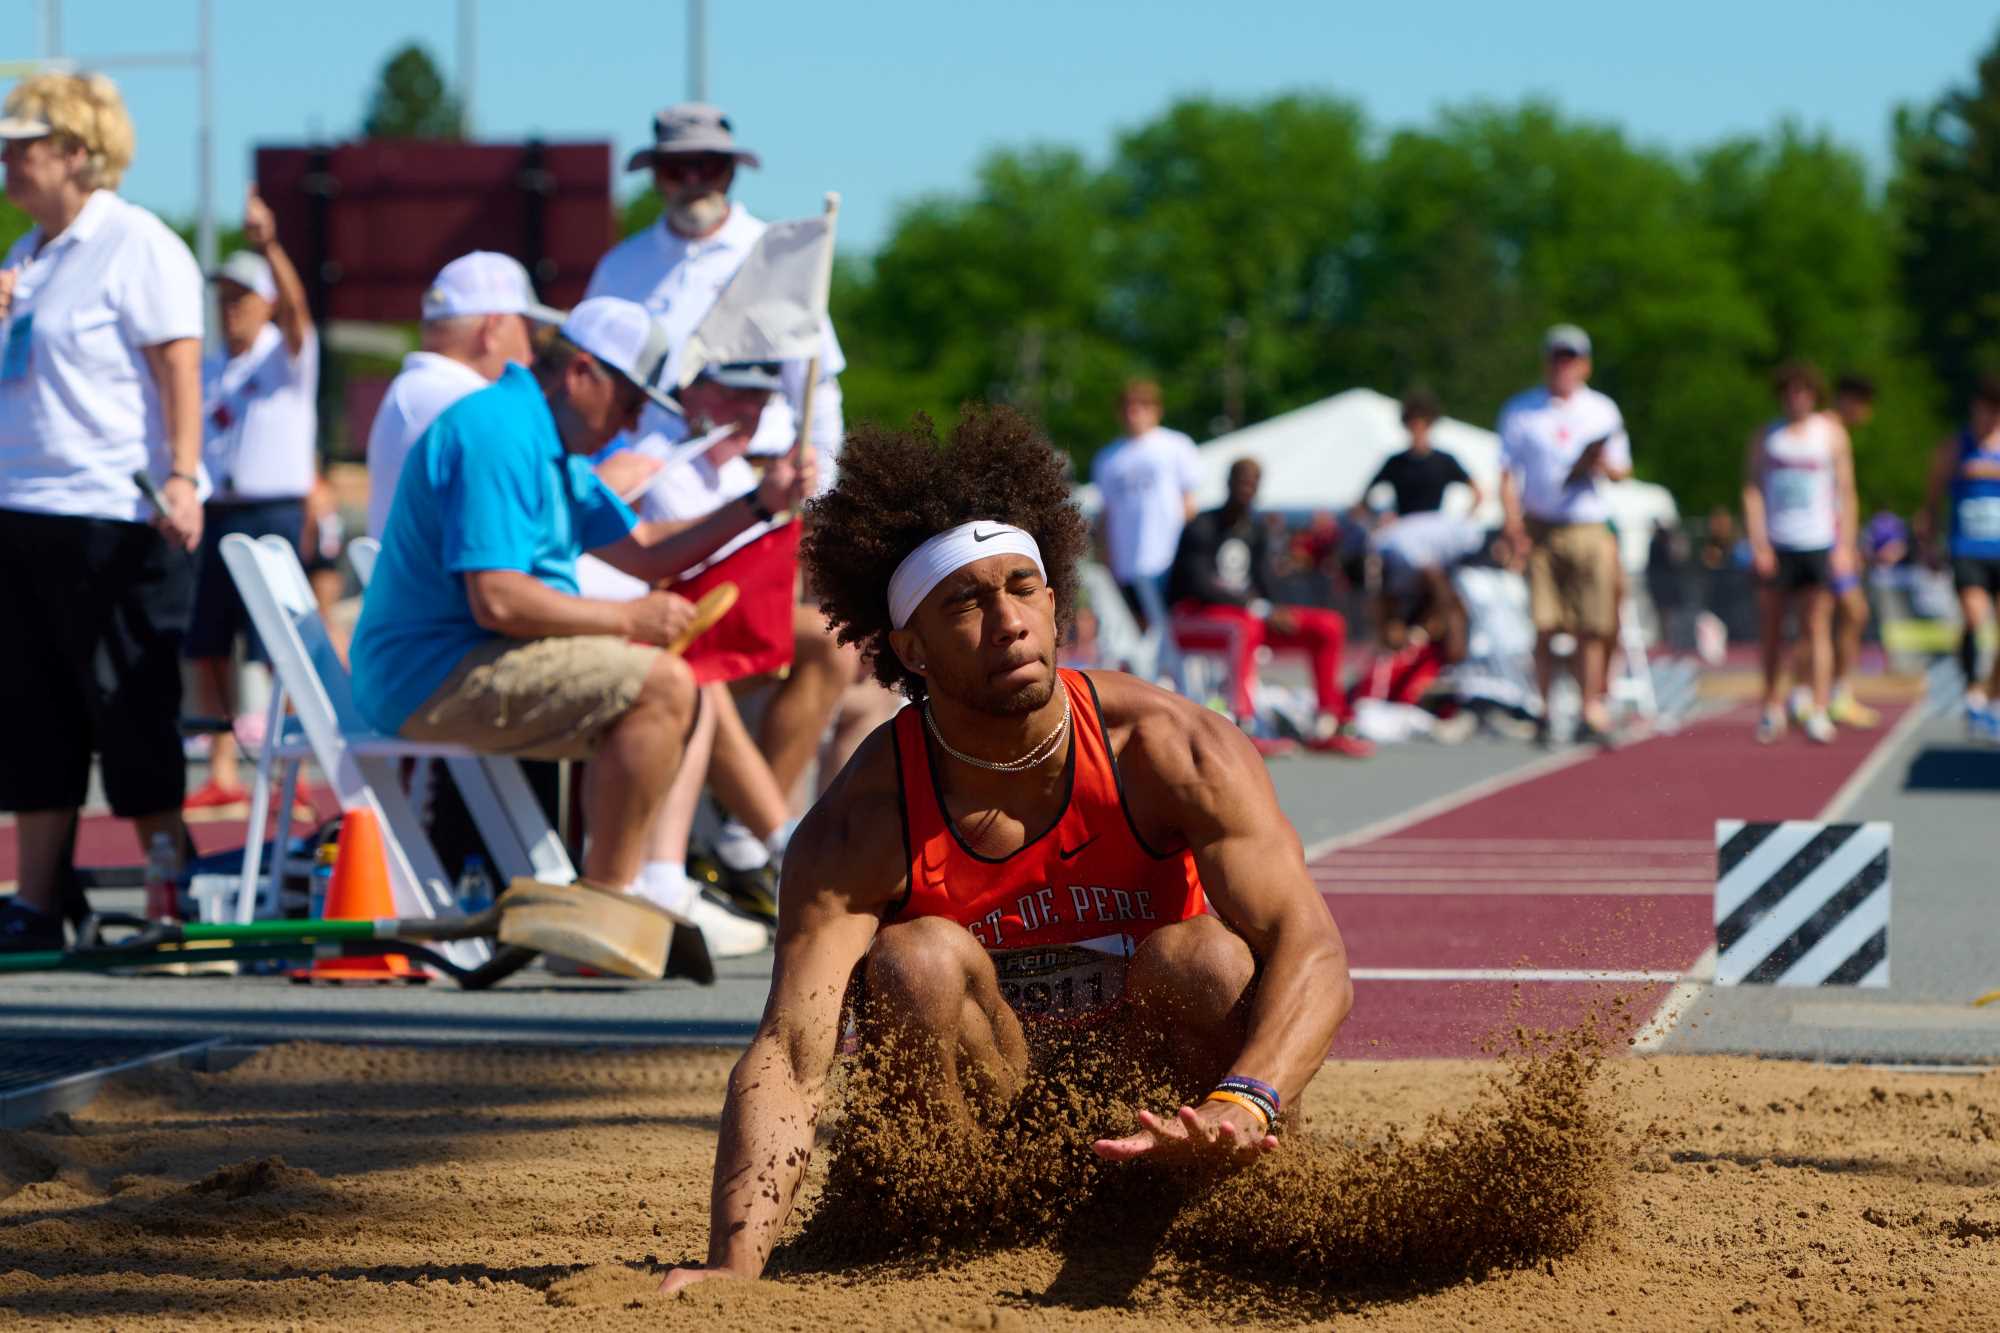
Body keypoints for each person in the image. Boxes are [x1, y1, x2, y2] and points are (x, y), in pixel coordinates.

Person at [660, 406, 1355, 1294]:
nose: (1007, 621)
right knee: (916, 958)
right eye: (966, 601)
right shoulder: (862, 817)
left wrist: (1246, 1097)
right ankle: (951, 1223)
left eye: (1023, 588)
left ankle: (1234, 1193)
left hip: (1159, 1100)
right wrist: (735, 1262)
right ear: (908, 646)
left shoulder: (1170, 747)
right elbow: (794, 1049)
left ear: (1056, 601)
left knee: (1207, 958)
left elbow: (1315, 948)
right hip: (986, 1132)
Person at [349, 298, 813, 945]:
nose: (632, 422)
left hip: (453, 661)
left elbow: (645, 545)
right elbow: (499, 600)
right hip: (432, 674)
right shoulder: (501, 433)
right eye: (629, 403)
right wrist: (628, 615)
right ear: (581, 373)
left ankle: (621, 895)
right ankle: (612, 903)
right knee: (664, 683)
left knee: (670, 679)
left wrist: (761, 503)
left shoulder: (545, 438)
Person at [587, 101, 851, 897]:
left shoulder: (781, 255)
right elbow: (590, 392)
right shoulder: (622, 267)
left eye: (711, 165)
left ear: (733, 172)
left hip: (761, 498)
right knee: (699, 649)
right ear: (657, 175)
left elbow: (819, 401)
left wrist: (817, 506)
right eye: (679, 166)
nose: (695, 179)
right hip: (652, 500)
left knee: (824, 646)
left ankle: (741, 834)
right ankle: (755, 842)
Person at [0, 73, 207, 951]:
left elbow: (178, 367)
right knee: (32, 710)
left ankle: (171, 891)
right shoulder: (28, 255)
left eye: (25, 148)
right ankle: (39, 902)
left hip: (109, 510)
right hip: (22, 505)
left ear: (78, 154)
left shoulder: (136, 243)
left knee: (129, 706)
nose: (9, 165)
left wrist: (186, 474)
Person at [181, 190, 319, 808]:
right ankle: (223, 769)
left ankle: (289, 771)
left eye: (241, 297)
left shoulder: (286, 359)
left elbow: (298, 314)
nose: (229, 308)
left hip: (271, 513)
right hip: (218, 513)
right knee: (208, 644)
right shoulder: (213, 366)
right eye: (223, 297)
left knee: (276, 649)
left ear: (264, 301)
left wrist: (270, 246)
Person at [1167, 458, 1372, 756]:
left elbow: (1266, 583)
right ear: (1229, 483)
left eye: (1253, 483)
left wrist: (1278, 609)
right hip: (1193, 620)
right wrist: (1256, 607)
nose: (1247, 489)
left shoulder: (1256, 530)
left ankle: (1330, 722)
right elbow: (1197, 583)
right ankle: (1244, 725)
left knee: (1328, 625)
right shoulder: (1203, 525)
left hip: (1246, 618)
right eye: (1242, 481)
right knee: (1243, 626)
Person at [365, 251, 564, 538]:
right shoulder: (469, 404)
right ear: (491, 329)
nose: (531, 353)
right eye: (528, 331)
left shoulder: (417, 391)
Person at [1497, 324, 1632, 745]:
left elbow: (1622, 470)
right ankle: (1543, 708)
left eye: (1571, 358)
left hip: (1588, 525)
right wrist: (1513, 525)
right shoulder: (1521, 410)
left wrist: (1598, 464)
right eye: (1557, 357)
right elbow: (1506, 473)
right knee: (1544, 622)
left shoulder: (1602, 410)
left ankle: (1590, 706)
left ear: (1585, 365)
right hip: (1542, 527)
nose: (1563, 366)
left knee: (1593, 623)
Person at [1742, 362, 1856, 745]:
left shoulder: (1831, 435)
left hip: (1818, 543)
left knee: (1817, 626)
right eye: (1790, 391)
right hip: (1778, 544)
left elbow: (1846, 492)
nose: (1797, 398)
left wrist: (1845, 546)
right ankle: (1772, 706)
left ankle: (1819, 708)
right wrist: (1759, 543)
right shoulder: (1767, 436)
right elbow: (1752, 490)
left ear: (1813, 395)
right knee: (1773, 630)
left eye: (1803, 391)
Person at [1788, 373, 1879, 728]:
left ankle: (1824, 690)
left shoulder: (1830, 432)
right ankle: (1815, 692)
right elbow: (1839, 495)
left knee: (1837, 615)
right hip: (1819, 541)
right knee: (1822, 615)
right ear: (1851, 401)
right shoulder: (1827, 431)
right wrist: (1841, 544)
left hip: (1831, 540)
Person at [1918, 375, 2000, 742]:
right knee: (1974, 616)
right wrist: (1928, 545)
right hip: (1968, 549)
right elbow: (1931, 502)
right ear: (1975, 409)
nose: (1990, 419)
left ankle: (1986, 697)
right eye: (1986, 411)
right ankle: (1972, 689)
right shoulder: (1956, 447)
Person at [1089, 378, 1201, 636]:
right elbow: (1106, 512)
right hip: (1127, 561)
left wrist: (1189, 552)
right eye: (1128, 407)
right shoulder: (1108, 458)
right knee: (1138, 631)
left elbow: (1188, 502)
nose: (1134, 413)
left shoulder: (1175, 445)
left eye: (1141, 406)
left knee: (1173, 627)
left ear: (1155, 409)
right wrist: (1105, 554)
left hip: (1167, 556)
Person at [1354, 509, 1487, 712]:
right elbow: (1384, 601)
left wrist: (1433, 630)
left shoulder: (1405, 553)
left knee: (1454, 613)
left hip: (1474, 549)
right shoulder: (1381, 553)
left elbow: (1442, 592)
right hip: (1435, 560)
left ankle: (1458, 673)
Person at [1365, 388, 1483, 517]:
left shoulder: (1444, 461)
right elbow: (1366, 498)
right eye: (1414, 425)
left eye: (1423, 425)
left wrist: (1463, 518)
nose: (1418, 431)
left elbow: (1478, 492)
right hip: (1404, 525)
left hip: (1432, 525)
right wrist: (1381, 516)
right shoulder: (1395, 463)